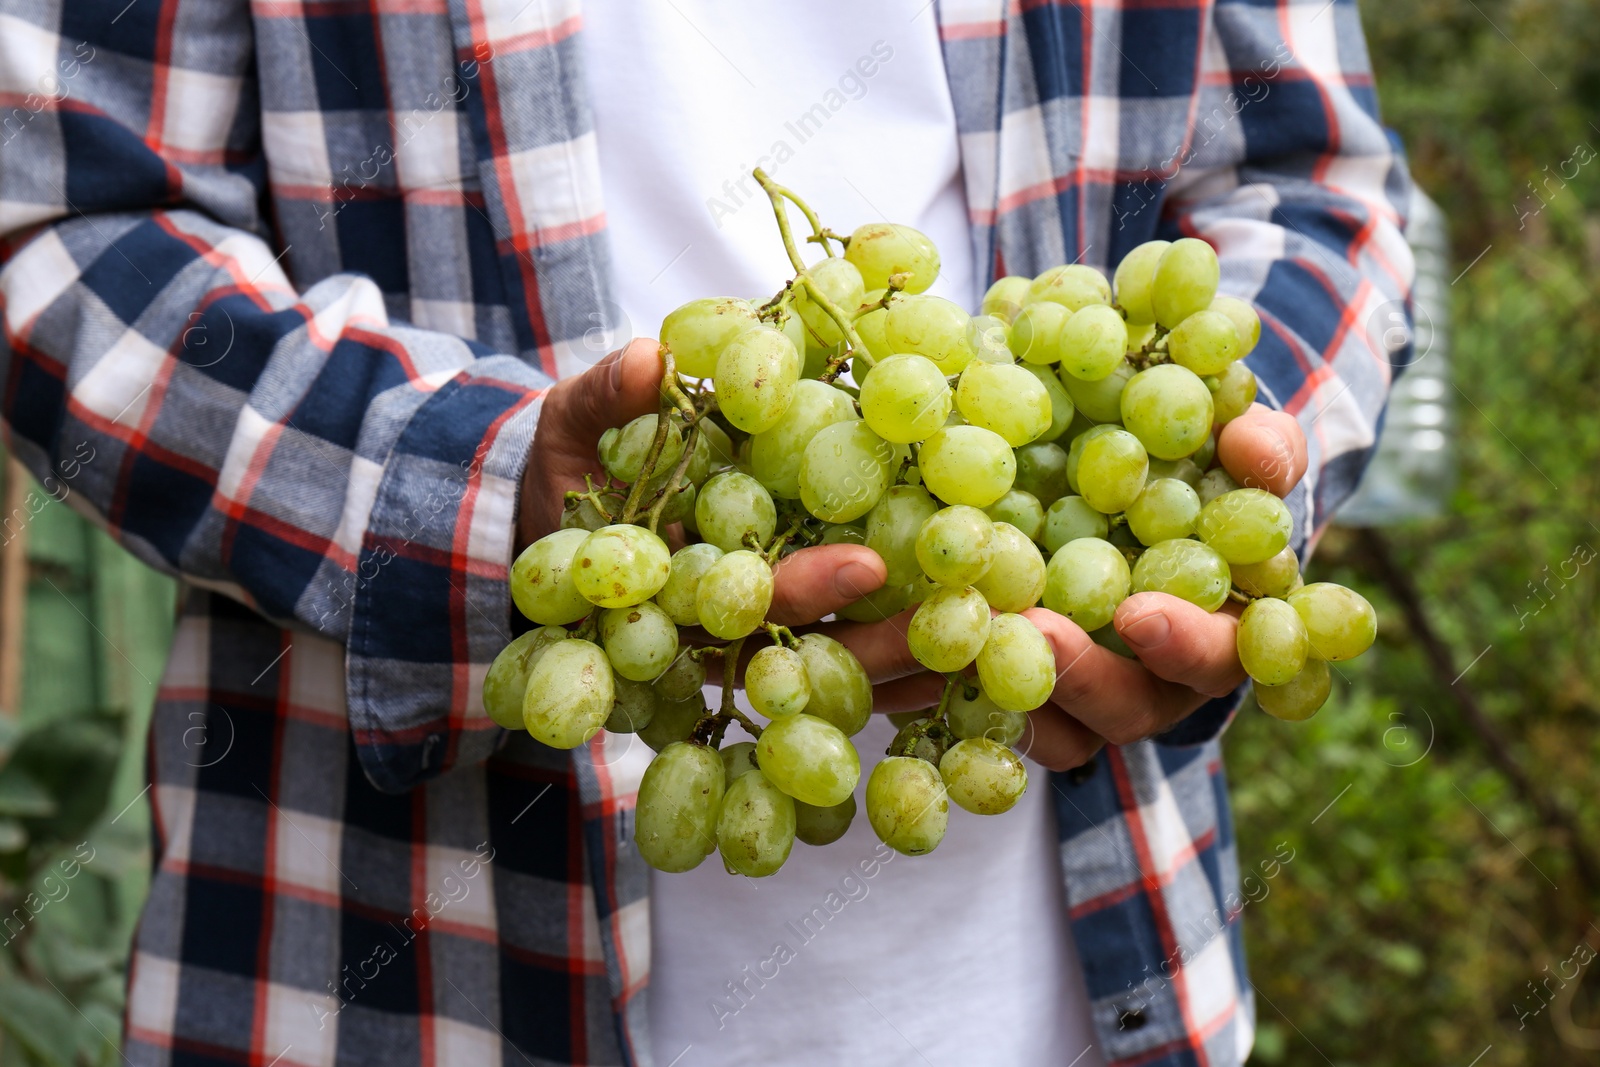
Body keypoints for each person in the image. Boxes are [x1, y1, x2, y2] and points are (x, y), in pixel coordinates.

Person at [0, 0, 1409, 1064]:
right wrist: (473, 499)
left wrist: (1234, 476)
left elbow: (1319, 187)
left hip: (1091, 992)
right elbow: (53, 221)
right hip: (394, 975)